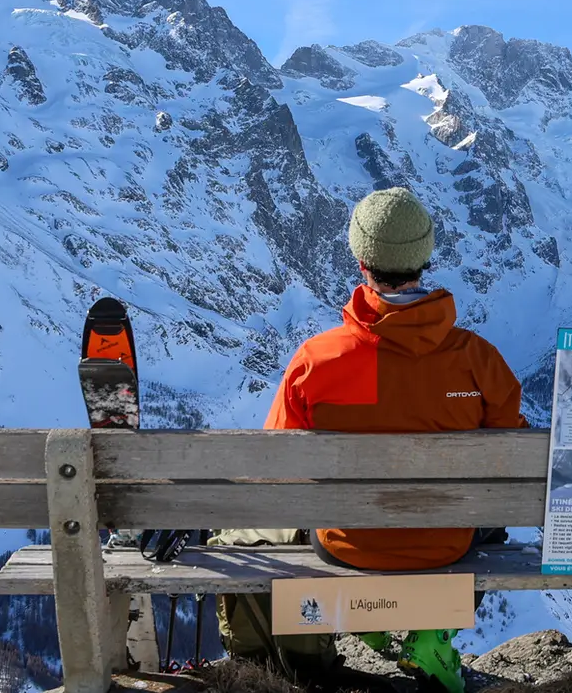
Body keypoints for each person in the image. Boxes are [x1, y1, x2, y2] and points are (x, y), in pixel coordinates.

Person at [217, 187, 528, 689]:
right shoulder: (478, 359)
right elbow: (512, 464)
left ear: (362, 261)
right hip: (446, 546)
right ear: (425, 260)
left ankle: (305, 660)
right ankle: (432, 628)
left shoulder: (318, 361)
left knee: (238, 535)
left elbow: (274, 469)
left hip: (346, 544)